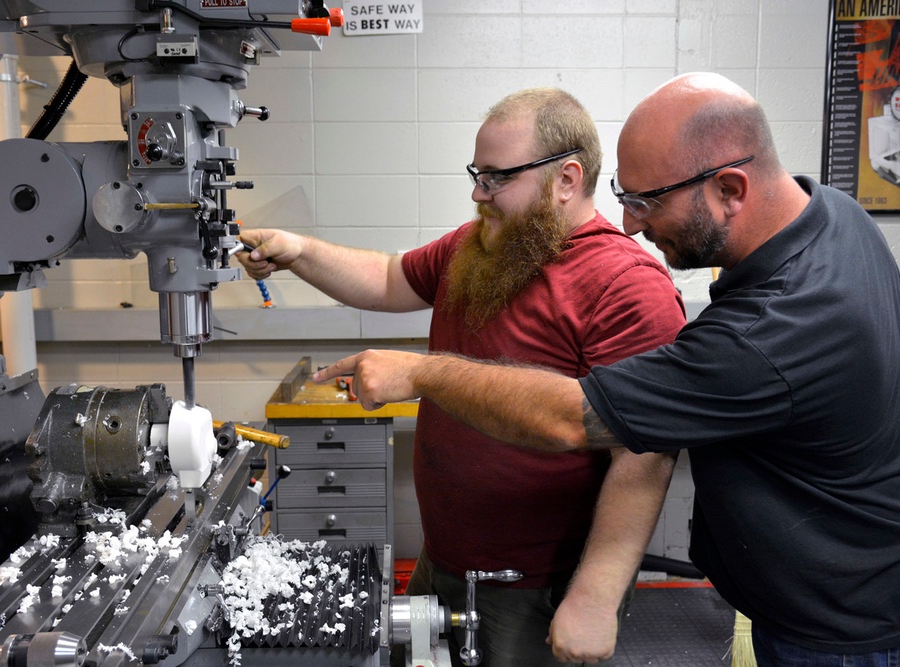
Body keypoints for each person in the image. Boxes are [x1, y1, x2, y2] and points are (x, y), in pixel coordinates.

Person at [314, 72, 900, 666]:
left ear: (732, 190)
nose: (630, 222)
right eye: (624, 198)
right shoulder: (836, 215)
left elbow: (596, 428)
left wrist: (425, 375)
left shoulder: (759, 331)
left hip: (843, 630)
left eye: (646, 201)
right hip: (822, 595)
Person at [238, 88, 687, 666]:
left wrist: (596, 595)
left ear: (567, 179)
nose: (478, 193)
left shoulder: (626, 286)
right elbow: (386, 278)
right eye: (477, 174)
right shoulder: (480, 248)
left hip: (535, 588)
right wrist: (296, 250)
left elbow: (644, 458)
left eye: (497, 178)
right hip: (444, 561)